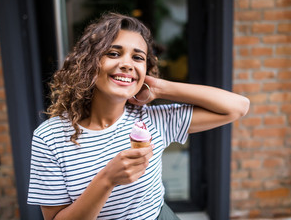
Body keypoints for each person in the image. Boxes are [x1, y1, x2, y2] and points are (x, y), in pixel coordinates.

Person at [27, 12, 250, 220]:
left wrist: (161, 88)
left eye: (138, 58)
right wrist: (107, 180)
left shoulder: (152, 120)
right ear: (89, 62)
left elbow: (238, 106)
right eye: (114, 53)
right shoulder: (49, 137)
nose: (127, 64)